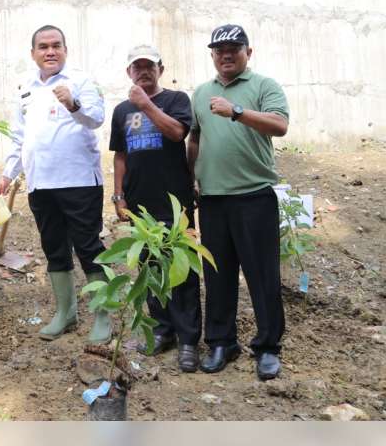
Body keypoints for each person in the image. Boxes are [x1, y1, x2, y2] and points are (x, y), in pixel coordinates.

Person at [188, 24, 289, 381]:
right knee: (218, 275)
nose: (226, 54)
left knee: (262, 276)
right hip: (214, 200)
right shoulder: (201, 93)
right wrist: (192, 178)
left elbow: (279, 126)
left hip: (253, 196)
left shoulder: (264, 86)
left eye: (234, 48)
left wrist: (237, 111)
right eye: (219, 50)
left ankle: (267, 347)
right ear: (212, 55)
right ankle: (221, 342)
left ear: (249, 51)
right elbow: (195, 139)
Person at [0, 25, 109, 344]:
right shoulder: (26, 89)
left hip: (78, 181)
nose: (50, 51)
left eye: (56, 45)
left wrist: (73, 104)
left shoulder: (81, 81)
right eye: (43, 46)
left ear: (65, 49)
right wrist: (7, 173)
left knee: (88, 247)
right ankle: (66, 313)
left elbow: (97, 118)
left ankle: (102, 314)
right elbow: (19, 136)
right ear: (33, 53)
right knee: (54, 248)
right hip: (40, 183)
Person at [109, 45, 201, 372]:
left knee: (182, 270)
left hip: (175, 203)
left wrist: (146, 105)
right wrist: (118, 195)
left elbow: (177, 133)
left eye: (150, 66)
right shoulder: (121, 111)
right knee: (150, 270)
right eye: (138, 67)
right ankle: (163, 330)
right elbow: (120, 155)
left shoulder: (177, 101)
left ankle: (189, 339)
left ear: (161, 69)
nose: (144, 71)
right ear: (128, 72)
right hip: (139, 206)